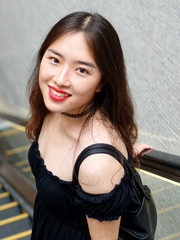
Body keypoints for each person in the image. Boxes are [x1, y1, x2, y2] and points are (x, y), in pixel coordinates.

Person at [26, 11, 153, 239]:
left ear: (101, 82)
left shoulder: (96, 165)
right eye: (54, 59)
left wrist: (108, 160)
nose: (60, 79)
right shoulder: (55, 108)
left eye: (81, 70)